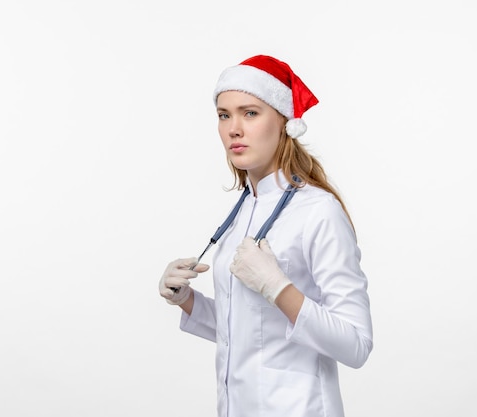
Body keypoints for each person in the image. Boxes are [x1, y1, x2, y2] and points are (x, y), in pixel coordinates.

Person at [158, 54, 373, 417]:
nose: (234, 129)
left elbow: (356, 344)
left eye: (250, 113)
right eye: (224, 115)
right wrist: (187, 300)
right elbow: (250, 330)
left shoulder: (318, 212)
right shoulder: (243, 208)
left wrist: (278, 287)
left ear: (285, 123)